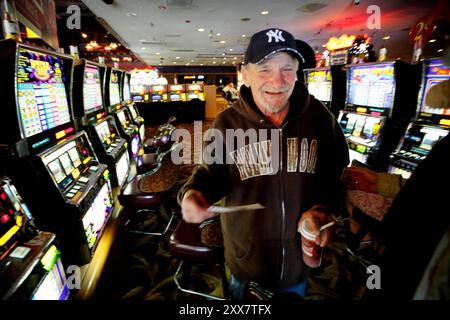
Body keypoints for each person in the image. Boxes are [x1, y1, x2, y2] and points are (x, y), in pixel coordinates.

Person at [178, 27, 350, 300]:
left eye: (287, 69)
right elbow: (209, 175)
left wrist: (323, 208)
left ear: (297, 73)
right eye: (265, 69)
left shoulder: (320, 118)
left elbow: (337, 174)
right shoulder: (227, 124)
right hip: (248, 260)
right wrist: (193, 195)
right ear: (244, 74)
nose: (278, 80)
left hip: (298, 259)